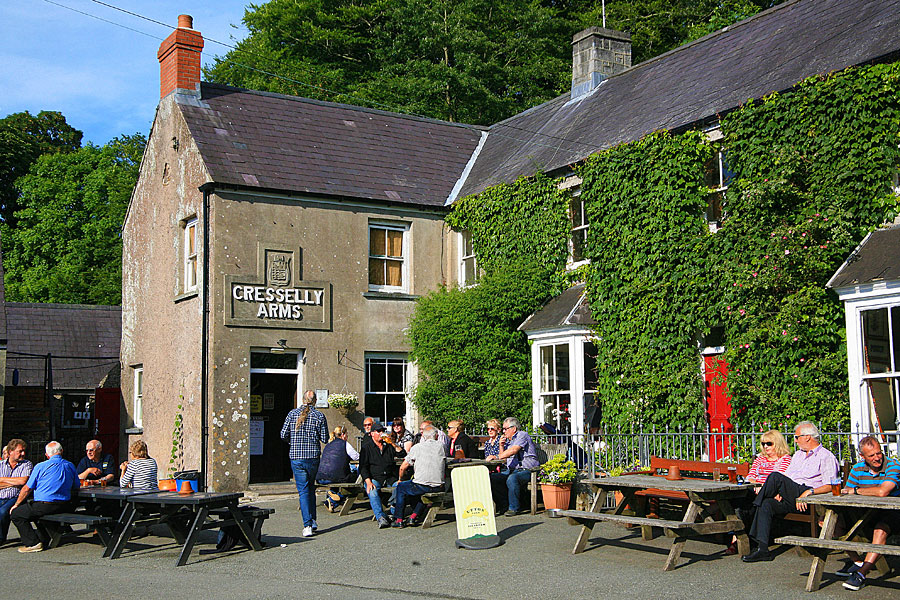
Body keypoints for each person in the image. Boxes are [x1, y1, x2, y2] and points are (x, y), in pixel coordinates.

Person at [742, 421, 840, 562]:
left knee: (774, 476)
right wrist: (780, 492)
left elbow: (831, 485)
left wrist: (810, 492)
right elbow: (787, 477)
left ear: (807, 437)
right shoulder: (799, 455)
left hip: (808, 495)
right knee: (766, 504)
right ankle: (762, 549)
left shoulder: (825, 456)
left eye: (796, 437)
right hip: (791, 495)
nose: (795, 440)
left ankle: (753, 504)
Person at [834, 435, 900, 591]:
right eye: (872, 455)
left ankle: (861, 574)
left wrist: (857, 490)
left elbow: (883, 491)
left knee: (880, 529)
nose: (877, 458)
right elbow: (846, 493)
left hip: (893, 513)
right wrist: (854, 492)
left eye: (879, 453)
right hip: (866, 513)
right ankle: (857, 561)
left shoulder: (893, 465)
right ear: (862, 457)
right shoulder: (857, 469)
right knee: (829, 522)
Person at [726, 430, 791, 554]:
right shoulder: (760, 459)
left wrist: (762, 487)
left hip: (771, 493)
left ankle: (738, 539)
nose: (765, 446)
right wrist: (756, 484)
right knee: (738, 501)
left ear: (777, 443)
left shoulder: (785, 460)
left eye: (769, 443)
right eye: (763, 443)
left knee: (745, 504)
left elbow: (779, 478)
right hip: (755, 490)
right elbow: (750, 476)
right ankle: (741, 538)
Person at [9, 441, 79, 553]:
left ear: (47, 455)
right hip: (64, 505)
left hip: (45, 505)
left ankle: (33, 543)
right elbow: (76, 486)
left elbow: (27, 488)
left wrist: (16, 504)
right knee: (34, 512)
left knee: (17, 514)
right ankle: (44, 537)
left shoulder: (41, 466)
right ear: (61, 452)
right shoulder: (70, 465)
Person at [281, 389, 329, 538]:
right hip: (312, 457)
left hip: (296, 457)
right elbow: (325, 438)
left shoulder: (292, 414)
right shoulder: (319, 416)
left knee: (303, 490)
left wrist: (293, 442)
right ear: (315, 401)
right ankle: (312, 521)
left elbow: (283, 434)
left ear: (303, 399)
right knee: (310, 488)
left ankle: (307, 524)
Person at [392, 426, 446, 527]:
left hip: (421, 485)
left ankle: (398, 519)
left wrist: (401, 479)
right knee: (423, 490)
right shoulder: (442, 446)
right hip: (439, 486)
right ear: (436, 436)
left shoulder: (417, 448)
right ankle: (413, 516)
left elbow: (403, 467)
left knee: (401, 487)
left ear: (423, 436)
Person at [487, 417, 540, 516]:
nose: (503, 431)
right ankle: (504, 505)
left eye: (505, 429)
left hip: (528, 470)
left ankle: (514, 508)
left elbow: (513, 450)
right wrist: (501, 446)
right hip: (512, 469)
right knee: (492, 478)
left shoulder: (522, 435)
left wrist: (496, 456)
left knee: (512, 479)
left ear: (514, 429)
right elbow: (503, 460)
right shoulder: (509, 440)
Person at [358, 423, 398, 528]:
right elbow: (362, 467)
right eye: (378, 431)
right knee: (372, 490)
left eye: (382, 431)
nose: (381, 433)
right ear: (372, 434)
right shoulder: (367, 448)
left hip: (390, 477)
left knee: (401, 486)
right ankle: (381, 517)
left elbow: (402, 454)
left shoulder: (388, 446)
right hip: (374, 477)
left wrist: (392, 443)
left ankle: (394, 513)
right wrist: (368, 481)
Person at [316, 426, 358, 512]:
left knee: (337, 475)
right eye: (347, 434)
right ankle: (334, 499)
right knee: (356, 479)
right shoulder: (345, 444)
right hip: (334, 477)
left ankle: (331, 498)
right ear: (343, 435)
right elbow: (357, 457)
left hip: (320, 477)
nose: (347, 436)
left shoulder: (328, 445)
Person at [0, 439, 33, 547]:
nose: (23, 453)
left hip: (15, 497)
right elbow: (18, 481)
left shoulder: (26, 464)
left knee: (3, 512)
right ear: (10, 452)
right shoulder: (1, 465)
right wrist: (14, 481)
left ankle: (1, 538)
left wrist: (3, 480)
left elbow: (23, 481)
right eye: (20, 451)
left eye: (24, 451)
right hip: (1, 496)